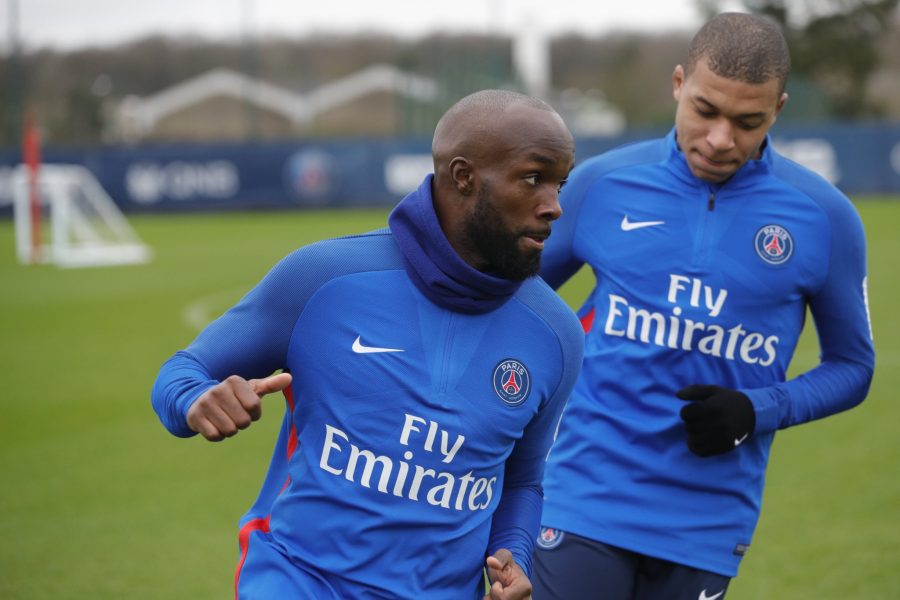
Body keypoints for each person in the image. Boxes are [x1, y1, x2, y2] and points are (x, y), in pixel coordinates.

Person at [151, 89, 584, 600]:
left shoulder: (556, 334)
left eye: (560, 183)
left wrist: (514, 557)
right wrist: (196, 400)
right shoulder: (322, 279)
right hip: (297, 579)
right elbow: (181, 373)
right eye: (533, 178)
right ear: (463, 176)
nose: (554, 206)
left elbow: (523, 482)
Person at [531, 12, 875, 600]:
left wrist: (758, 408)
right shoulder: (601, 186)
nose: (720, 139)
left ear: (779, 110)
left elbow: (854, 367)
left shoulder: (825, 217)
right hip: (584, 494)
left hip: (707, 522)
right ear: (677, 84)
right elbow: (509, 301)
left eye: (748, 122)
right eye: (705, 111)